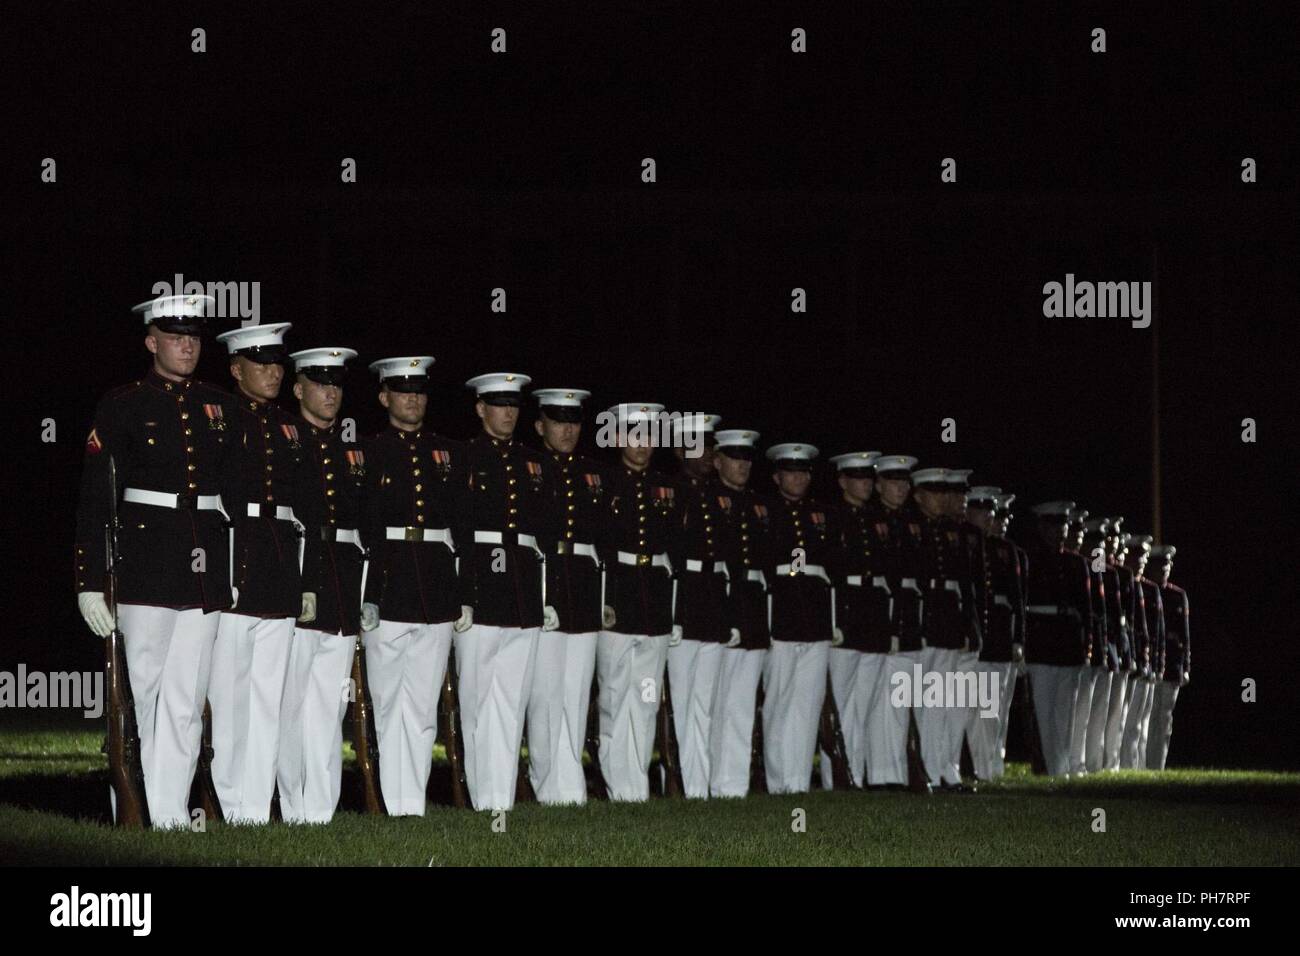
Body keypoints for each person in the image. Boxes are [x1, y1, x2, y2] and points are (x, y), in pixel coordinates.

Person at [75, 293, 235, 828]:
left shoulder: (219, 405)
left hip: (204, 566)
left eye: (193, 337)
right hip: (144, 564)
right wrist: (89, 580)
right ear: (151, 342)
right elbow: (97, 498)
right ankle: (132, 808)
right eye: (175, 337)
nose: (187, 346)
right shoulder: (122, 404)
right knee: (141, 695)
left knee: (187, 699)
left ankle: (170, 816)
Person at [209, 322, 311, 824]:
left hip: (279, 562)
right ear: (236, 368)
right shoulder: (220, 417)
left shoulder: (291, 428)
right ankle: (229, 804)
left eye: (277, 364)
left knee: (270, 697)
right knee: (230, 698)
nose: (273, 372)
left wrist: (306, 581)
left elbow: (307, 505)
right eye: (261, 363)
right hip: (237, 560)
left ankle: (255, 803)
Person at [358, 356, 469, 815]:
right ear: (384, 397)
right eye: (403, 392)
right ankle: (392, 799)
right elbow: (362, 527)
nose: (412, 400)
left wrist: (464, 595)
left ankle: (412, 803)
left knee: (423, 707)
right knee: (387, 702)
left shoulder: (449, 452)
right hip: (388, 586)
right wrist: (367, 594)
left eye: (419, 392)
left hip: (436, 586)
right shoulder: (368, 451)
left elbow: (462, 527)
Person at [457, 372, 557, 811]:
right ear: (481, 408)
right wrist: (462, 593)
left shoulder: (535, 463)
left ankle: (502, 798)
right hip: (483, 589)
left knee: (512, 703)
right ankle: (483, 799)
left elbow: (547, 535)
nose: (508, 412)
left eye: (514, 405)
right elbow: (459, 531)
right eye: (499, 404)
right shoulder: (465, 456)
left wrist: (547, 597)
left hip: (523, 592)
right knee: (478, 702)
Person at [276, 347, 365, 823]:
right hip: (298, 578)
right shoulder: (286, 441)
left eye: (336, 385)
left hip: (342, 583)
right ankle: (292, 805)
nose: (330, 393)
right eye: (320, 383)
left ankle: (321, 809)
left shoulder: (352, 450)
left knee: (330, 706)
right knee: (289, 704)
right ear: (298, 388)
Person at [525, 387, 604, 805]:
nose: (568, 430)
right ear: (541, 426)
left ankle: (571, 787)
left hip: (584, 587)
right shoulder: (530, 467)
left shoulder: (593, 473)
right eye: (559, 422)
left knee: (576, 694)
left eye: (574, 422)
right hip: (547, 582)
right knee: (545, 695)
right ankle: (546, 784)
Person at [596, 403, 678, 801]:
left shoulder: (667, 487)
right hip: (619, 597)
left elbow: (677, 549)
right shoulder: (604, 482)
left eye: (649, 436)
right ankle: (617, 785)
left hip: (654, 602)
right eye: (634, 435)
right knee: (614, 697)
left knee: (646, 698)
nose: (642, 444)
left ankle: (638, 783)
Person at [761, 442, 836, 794]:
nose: (798, 478)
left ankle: (799, 779)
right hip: (782, 616)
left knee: (807, 704)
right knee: (779, 701)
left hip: (815, 618)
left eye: (803, 472)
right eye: (791, 472)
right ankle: (779, 782)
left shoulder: (821, 513)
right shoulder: (766, 510)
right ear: (777, 477)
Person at [667, 413, 732, 798]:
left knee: (704, 702)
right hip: (685, 598)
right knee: (680, 698)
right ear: (679, 450)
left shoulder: (718, 495)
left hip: (711, 598)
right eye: (697, 445)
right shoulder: (670, 491)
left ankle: (699, 784)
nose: (707, 453)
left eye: (710, 445)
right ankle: (680, 779)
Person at [707, 428, 772, 798]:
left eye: (747, 458)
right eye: (735, 457)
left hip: (752, 606)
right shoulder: (708, 499)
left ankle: (734, 783)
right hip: (722, 605)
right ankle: (712, 780)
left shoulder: (759, 505)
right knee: (717, 701)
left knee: (742, 703)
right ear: (718, 461)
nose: (743, 465)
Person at [821, 450, 885, 789]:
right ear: (843, 481)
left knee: (865, 702)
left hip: (871, 613)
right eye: (858, 477)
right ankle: (837, 774)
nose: (866, 484)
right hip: (845, 613)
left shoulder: (876, 520)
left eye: (869, 477)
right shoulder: (832, 517)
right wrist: (834, 619)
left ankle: (857, 773)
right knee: (841, 702)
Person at [871, 454, 928, 792]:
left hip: (909, 619)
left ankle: (898, 771)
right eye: (894, 481)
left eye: (905, 481)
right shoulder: (873, 520)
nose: (901, 488)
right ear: (879, 485)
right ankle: (882, 773)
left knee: (901, 702)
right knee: (884, 704)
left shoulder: (912, 523)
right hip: (885, 618)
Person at [1023, 501, 1092, 777]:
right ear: (1042, 528)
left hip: (1068, 645)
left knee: (1066, 713)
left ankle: (1061, 766)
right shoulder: (1030, 559)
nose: (1060, 531)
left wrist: (1086, 645)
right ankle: (1047, 765)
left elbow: (1086, 609)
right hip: (1041, 643)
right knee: (1044, 711)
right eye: (1054, 525)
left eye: (1063, 525)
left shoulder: (1076, 563)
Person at [964, 486, 1021, 781]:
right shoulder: (966, 542)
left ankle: (990, 765)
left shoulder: (1004, 550)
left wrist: (1017, 638)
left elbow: (1017, 600)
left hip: (998, 636)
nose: (989, 517)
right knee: (973, 707)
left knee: (993, 708)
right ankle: (980, 765)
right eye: (982, 511)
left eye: (991, 512)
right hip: (975, 633)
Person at [1146, 544, 1188, 770]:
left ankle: (1158, 766)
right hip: (1150, 662)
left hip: (1171, 665)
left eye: (1167, 564)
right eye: (1160, 564)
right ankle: (1143, 764)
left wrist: (1185, 666)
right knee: (1147, 716)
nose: (1164, 568)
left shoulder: (1177, 595)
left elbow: (1184, 635)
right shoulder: (1146, 591)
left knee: (1164, 719)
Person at [1100, 518, 1134, 771]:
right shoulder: (1100, 569)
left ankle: (1110, 761)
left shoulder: (1120, 575)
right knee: (1098, 712)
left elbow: (1127, 618)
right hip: (1102, 640)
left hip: (1115, 643)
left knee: (1113, 711)